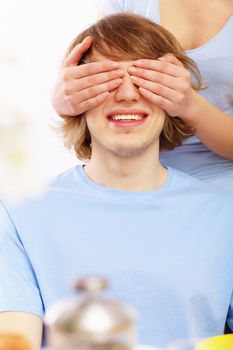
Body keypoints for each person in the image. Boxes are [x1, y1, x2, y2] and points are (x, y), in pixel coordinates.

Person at [0, 14, 233, 349]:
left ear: (173, 96)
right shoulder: (20, 212)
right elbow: (14, 339)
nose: (126, 94)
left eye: (144, 79)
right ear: (75, 95)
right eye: (106, 79)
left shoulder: (224, 216)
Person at [51, 0, 233, 189]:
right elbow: (101, 64)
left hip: (219, 178)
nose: (127, 94)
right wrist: (63, 98)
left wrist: (190, 105)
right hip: (125, 174)